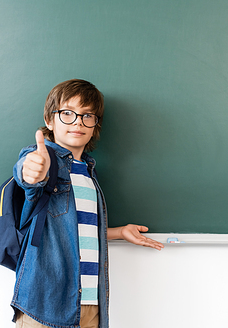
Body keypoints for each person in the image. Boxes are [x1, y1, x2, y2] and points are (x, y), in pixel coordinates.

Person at [11, 79, 164, 328]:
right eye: (67, 113)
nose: (78, 122)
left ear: (95, 125)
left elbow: (74, 229)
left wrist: (119, 232)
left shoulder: (88, 172)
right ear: (50, 120)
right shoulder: (42, 159)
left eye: (87, 116)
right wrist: (32, 172)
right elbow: (27, 174)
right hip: (47, 304)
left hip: (91, 302)